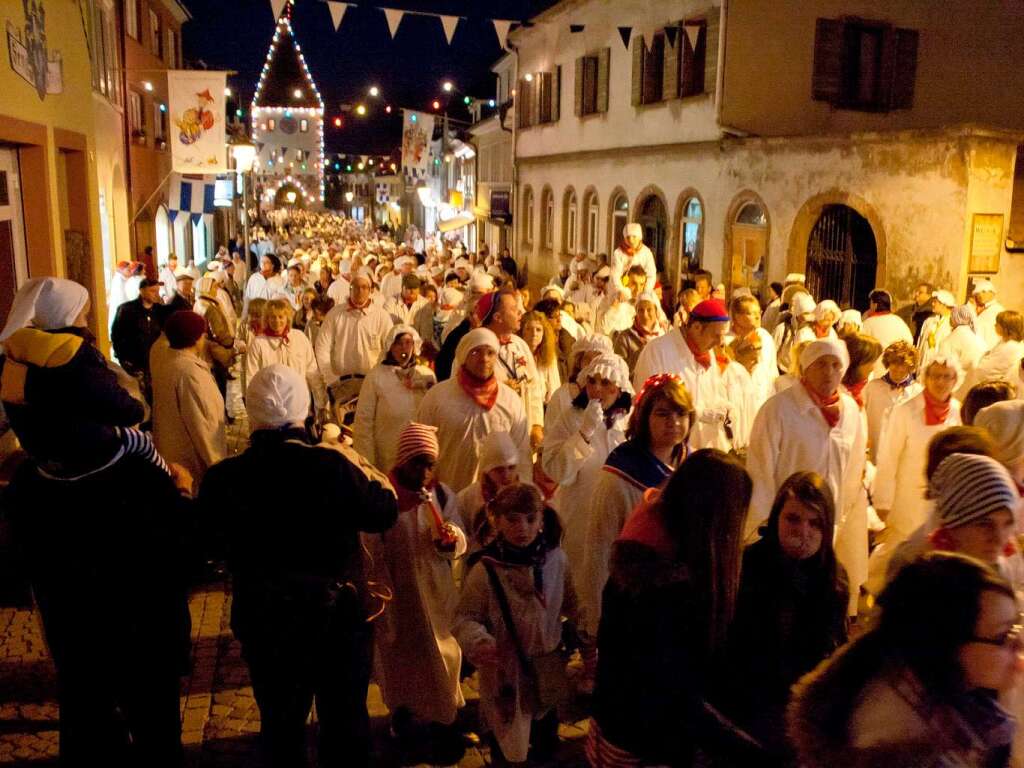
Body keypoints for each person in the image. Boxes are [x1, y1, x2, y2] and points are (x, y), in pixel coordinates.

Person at [2, 279, 191, 765]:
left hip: (76, 643)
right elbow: (129, 410)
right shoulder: (77, 362)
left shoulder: (18, 363)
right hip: (137, 639)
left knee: (87, 714)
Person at [198, 364, 398, 768]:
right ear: (304, 410)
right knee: (344, 721)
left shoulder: (224, 479)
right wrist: (345, 453)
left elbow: (206, 544)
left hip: (265, 618)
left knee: (280, 723)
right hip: (335, 618)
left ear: (252, 413)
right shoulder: (332, 466)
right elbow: (384, 509)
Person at [587, 450, 770, 767]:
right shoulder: (663, 591)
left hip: (619, 726)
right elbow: (676, 697)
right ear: (712, 518)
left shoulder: (649, 545)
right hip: (643, 743)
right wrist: (752, 752)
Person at [789, 553, 1020, 768]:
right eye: (1002, 636)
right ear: (948, 642)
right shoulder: (901, 736)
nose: (1019, 645)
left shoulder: (950, 696)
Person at [724, 472, 849, 758]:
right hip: (748, 715)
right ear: (776, 516)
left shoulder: (834, 579)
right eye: (793, 519)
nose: (803, 531)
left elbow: (834, 651)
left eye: (815, 523)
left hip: (806, 715)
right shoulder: (747, 567)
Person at [455, 483, 581, 765]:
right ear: (496, 521)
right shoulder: (485, 570)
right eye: (511, 520)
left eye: (530, 518)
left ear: (541, 519)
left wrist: (588, 639)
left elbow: (573, 604)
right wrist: (479, 640)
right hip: (505, 674)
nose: (521, 527)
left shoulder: (556, 560)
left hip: (546, 669)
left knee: (545, 739)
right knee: (507, 745)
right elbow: (465, 616)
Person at [365, 423, 467, 754]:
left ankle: (444, 720)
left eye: (430, 464)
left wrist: (450, 540)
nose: (424, 472)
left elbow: (458, 538)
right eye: (417, 462)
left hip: (435, 594)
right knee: (401, 662)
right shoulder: (384, 497)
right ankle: (404, 718)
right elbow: (371, 544)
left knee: (444, 658)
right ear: (403, 460)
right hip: (400, 594)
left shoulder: (442, 495)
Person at [746, 338, 867, 609]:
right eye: (821, 364)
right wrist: (764, 523)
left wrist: (840, 515)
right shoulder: (778, 409)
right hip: (785, 522)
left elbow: (853, 468)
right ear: (806, 368)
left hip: (825, 523)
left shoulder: (852, 413)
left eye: (836, 365)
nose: (829, 372)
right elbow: (761, 468)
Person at [581, 374, 692, 636]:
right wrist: (597, 617)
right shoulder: (619, 474)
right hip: (635, 600)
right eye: (663, 414)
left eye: (681, 413)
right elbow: (600, 548)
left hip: (682, 598)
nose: (674, 422)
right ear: (644, 417)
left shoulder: (692, 464)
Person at [542, 353, 632, 596]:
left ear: (620, 387)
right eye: (592, 381)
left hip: (621, 522)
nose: (597, 389)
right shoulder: (571, 418)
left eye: (606, 383)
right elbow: (556, 470)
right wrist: (584, 432)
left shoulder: (631, 423)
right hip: (581, 519)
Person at [417, 328, 531, 491]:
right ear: (464, 356)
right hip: (446, 497)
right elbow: (421, 449)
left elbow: (522, 455)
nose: (484, 359)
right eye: (476, 352)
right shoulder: (437, 396)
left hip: (495, 504)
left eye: (490, 353)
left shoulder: (510, 400)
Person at [633, 298, 731, 451]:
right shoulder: (658, 351)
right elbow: (648, 402)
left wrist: (723, 407)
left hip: (700, 449)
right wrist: (697, 413)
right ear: (697, 327)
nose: (721, 342)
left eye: (723, 335)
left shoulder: (708, 352)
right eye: (716, 335)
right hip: (667, 449)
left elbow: (713, 391)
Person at [150, 311, 226, 496]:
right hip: (191, 465)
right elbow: (203, 423)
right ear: (196, 338)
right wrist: (218, 467)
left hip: (171, 456)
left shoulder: (166, 359)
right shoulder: (190, 373)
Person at [352, 325, 436, 472]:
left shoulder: (426, 375)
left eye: (408, 343)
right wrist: (367, 464)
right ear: (390, 346)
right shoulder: (376, 377)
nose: (404, 348)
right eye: (399, 343)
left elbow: (434, 415)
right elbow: (363, 422)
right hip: (387, 457)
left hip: (418, 457)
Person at [313, 272, 392, 424]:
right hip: (341, 385)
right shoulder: (335, 314)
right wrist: (331, 379)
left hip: (370, 383)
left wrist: (378, 378)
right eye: (355, 287)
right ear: (349, 289)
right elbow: (322, 347)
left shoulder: (381, 316)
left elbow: (388, 350)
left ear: (371, 290)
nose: (360, 291)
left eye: (364, 287)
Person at [245, 299, 323, 414]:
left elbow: (312, 371)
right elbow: (252, 377)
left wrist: (321, 403)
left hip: (299, 405)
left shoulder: (299, 338)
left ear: (287, 318)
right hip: (271, 408)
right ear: (267, 319)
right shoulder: (259, 343)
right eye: (273, 317)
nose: (277, 321)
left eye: (281, 317)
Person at [862, 340, 922, 462]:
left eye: (903, 368)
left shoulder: (918, 392)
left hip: (904, 454)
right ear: (888, 363)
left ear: (910, 368)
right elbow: (861, 416)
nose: (898, 372)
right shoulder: (872, 388)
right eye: (894, 367)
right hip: (875, 452)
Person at [111, 276, 167, 401]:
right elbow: (116, 336)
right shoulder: (127, 310)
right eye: (153, 291)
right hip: (134, 364)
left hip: (154, 363)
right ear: (142, 291)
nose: (156, 295)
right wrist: (124, 360)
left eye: (157, 291)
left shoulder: (159, 311)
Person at [966, 310, 1024, 392]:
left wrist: (981, 359)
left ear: (1006, 328)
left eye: (997, 324)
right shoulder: (1005, 342)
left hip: (994, 391)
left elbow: (983, 371)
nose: (995, 325)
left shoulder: (1011, 348)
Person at [861, 290, 914, 375]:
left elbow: (862, 347)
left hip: (876, 368)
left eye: (871, 303)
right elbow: (909, 341)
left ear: (875, 305)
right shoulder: (898, 320)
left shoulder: (868, 323)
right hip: (896, 367)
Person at [940, 304, 986, 399]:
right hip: (975, 388)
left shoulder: (951, 339)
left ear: (955, 317)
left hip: (957, 389)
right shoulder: (978, 338)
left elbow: (944, 366)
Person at [613, 290, 663, 372]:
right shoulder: (625, 337)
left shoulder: (664, 334)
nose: (645, 315)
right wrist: (639, 355)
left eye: (649, 309)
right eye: (641, 310)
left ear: (656, 311)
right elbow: (618, 371)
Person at [519, 309, 561, 404]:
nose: (534, 334)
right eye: (529, 329)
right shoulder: (516, 353)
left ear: (543, 333)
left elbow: (554, 387)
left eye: (538, 330)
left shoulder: (549, 355)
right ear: (522, 331)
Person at [609, 222, 656, 288]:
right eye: (628, 237)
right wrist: (622, 290)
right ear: (624, 238)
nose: (631, 240)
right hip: (624, 287)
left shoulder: (646, 253)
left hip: (641, 288)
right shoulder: (618, 253)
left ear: (639, 238)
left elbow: (651, 274)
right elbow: (615, 275)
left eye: (634, 237)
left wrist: (646, 290)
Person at [917, 289, 956, 368]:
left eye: (935, 302)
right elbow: (920, 343)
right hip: (924, 365)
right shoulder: (928, 321)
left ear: (943, 304)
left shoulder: (952, 323)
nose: (932, 304)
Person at [242, 253, 285, 319]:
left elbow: (281, 299)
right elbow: (248, 297)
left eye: (266, 262)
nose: (263, 264)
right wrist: (244, 315)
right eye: (262, 262)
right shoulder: (254, 277)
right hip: (255, 313)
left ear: (273, 265)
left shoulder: (280, 280)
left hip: (271, 315)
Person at [971, 279, 1006, 350]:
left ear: (992, 293)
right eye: (977, 293)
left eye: (983, 291)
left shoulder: (998, 310)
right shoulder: (982, 310)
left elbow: (995, 337)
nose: (980, 295)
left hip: (987, 351)